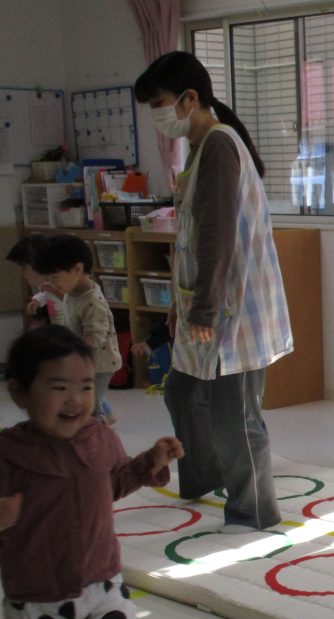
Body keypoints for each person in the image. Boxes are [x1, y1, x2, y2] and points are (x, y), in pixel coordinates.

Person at [0, 325, 183, 619]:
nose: (76, 400)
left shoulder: (99, 437)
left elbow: (116, 481)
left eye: (85, 386)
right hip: (36, 597)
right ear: (20, 393)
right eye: (58, 387)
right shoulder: (8, 454)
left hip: (101, 583)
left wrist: (151, 461)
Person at [135, 51, 293, 531]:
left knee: (235, 416)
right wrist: (181, 305)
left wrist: (202, 309)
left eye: (160, 104)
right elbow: (189, 238)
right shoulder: (201, 147)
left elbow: (217, 237)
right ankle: (205, 478)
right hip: (207, 303)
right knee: (182, 392)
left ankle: (254, 512)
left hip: (232, 308)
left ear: (189, 99)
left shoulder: (220, 146)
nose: (158, 116)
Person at [31, 234, 121, 423]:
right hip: (85, 361)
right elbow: (70, 306)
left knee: (92, 407)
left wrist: (65, 350)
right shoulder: (73, 290)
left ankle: (98, 435)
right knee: (83, 403)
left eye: (55, 277)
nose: (51, 281)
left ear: (77, 269)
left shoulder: (93, 303)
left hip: (99, 365)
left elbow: (94, 338)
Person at [6, 234, 65, 327]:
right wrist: (36, 300)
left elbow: (74, 301)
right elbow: (45, 293)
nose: (22, 273)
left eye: (25, 268)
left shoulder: (63, 280)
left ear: (40, 263)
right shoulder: (45, 283)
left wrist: (55, 291)